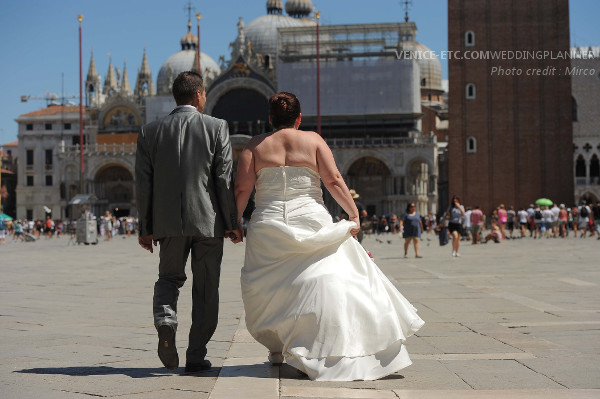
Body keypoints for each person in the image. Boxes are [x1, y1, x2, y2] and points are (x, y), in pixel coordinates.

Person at [234, 92, 424, 381]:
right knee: (321, 279)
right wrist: (353, 213)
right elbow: (334, 180)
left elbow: (241, 190)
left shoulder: (254, 146)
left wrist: (235, 221)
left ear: (270, 119)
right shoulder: (313, 141)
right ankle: (323, 343)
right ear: (299, 118)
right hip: (311, 219)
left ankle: (276, 347)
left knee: (271, 288)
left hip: (268, 224)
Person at [135, 71, 242, 373]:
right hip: (208, 222)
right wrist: (232, 221)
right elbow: (222, 178)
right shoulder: (216, 127)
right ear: (198, 95)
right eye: (205, 93)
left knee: (168, 279)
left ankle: (166, 320)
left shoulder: (149, 132)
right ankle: (196, 355)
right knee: (206, 289)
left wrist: (145, 228)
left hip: (167, 224)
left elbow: (143, 184)